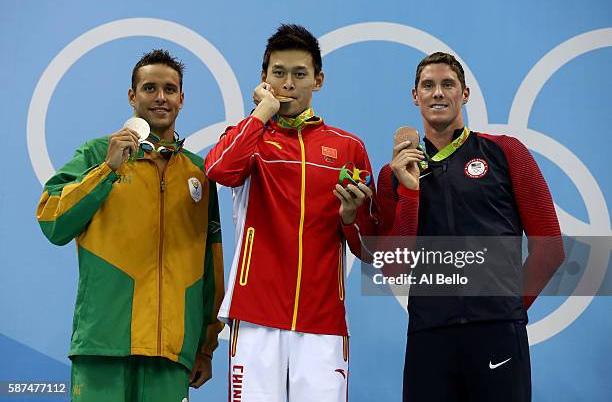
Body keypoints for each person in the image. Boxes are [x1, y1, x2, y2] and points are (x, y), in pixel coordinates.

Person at [36, 49, 225, 402]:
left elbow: (210, 268)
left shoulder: (200, 173)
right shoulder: (96, 155)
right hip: (104, 345)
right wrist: (107, 171)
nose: (160, 98)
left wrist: (206, 346)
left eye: (170, 90)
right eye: (150, 88)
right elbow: (53, 222)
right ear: (132, 96)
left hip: (170, 354)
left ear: (182, 99)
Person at [377, 52, 565, 402]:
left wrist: (504, 308)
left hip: (497, 334)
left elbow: (550, 248)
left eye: (447, 84)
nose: (437, 93)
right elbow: (393, 265)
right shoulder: (393, 174)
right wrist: (409, 189)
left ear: (464, 94)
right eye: (428, 85)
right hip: (428, 336)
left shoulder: (506, 152)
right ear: (414, 96)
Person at [205, 24, 378, 402]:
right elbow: (219, 171)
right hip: (255, 316)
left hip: (323, 321)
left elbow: (370, 249)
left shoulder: (348, 148)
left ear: (318, 79)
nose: (288, 84)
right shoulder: (246, 135)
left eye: (299, 74)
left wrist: (350, 218)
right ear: (263, 78)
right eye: (278, 73)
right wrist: (260, 115)